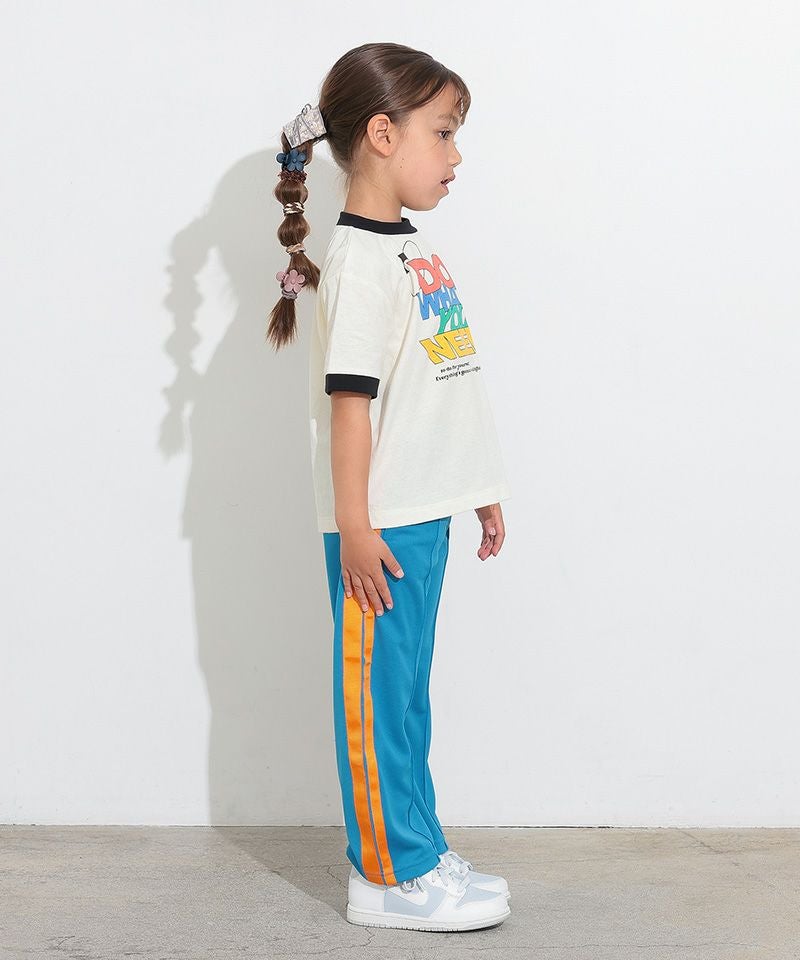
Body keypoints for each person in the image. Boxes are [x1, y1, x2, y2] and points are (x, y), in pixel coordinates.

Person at [267, 42, 513, 932]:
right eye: (443, 133)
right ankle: (385, 875)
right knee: (377, 702)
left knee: (405, 697)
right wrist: (355, 526)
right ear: (382, 133)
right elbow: (351, 410)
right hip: (379, 527)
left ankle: (418, 847)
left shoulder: (408, 250)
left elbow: (441, 385)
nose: (456, 155)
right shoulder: (362, 264)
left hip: (420, 513)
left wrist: (477, 485)